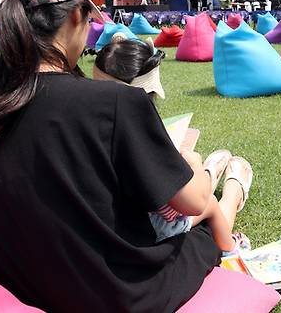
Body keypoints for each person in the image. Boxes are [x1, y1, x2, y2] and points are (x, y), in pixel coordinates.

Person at [0, 0, 253, 313]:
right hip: (118, 292)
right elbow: (191, 203)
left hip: (26, 284)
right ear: (75, 16)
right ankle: (233, 194)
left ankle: (211, 173)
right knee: (205, 219)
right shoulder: (113, 102)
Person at [91, 37, 251, 251]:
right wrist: (194, 164)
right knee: (210, 203)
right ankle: (230, 243)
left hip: (117, 222)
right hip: (152, 227)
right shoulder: (142, 145)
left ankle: (210, 174)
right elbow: (192, 205)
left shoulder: (91, 127)